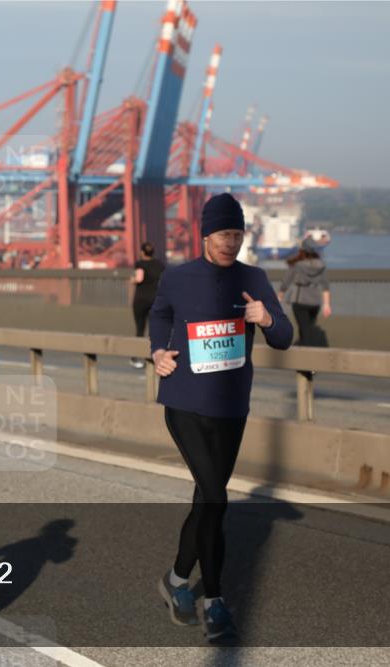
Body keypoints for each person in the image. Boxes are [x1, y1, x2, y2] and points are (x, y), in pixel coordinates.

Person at [149, 193, 292, 643]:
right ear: (205, 234)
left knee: (205, 502)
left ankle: (174, 581)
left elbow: (285, 337)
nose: (230, 242)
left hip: (231, 408)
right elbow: (159, 315)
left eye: (236, 234)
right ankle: (215, 600)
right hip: (185, 403)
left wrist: (266, 317)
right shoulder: (178, 277)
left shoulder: (254, 278)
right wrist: (157, 352)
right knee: (216, 498)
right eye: (222, 234)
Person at [279, 238, 331, 347]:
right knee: (309, 328)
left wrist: (279, 298)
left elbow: (286, 283)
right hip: (315, 302)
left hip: (300, 300)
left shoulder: (298, 265)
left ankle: (307, 353)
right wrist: (326, 305)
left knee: (303, 330)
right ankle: (307, 349)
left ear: (303, 250)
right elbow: (325, 286)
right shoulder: (321, 265)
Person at [130, 241, 165, 369]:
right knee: (153, 330)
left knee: (140, 328)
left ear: (142, 252)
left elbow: (139, 278)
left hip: (141, 300)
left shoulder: (140, 264)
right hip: (155, 300)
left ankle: (135, 358)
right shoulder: (160, 265)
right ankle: (153, 357)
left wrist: (132, 280)